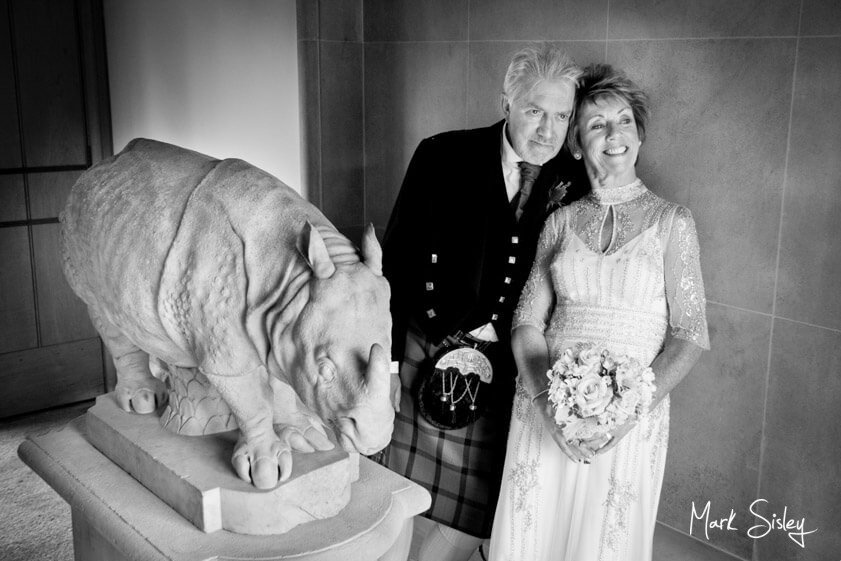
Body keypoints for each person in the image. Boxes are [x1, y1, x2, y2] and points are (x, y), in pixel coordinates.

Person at [488, 64, 710, 561]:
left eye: (624, 120)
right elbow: (526, 322)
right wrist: (547, 402)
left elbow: (690, 333)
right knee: (531, 532)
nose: (614, 135)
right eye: (596, 124)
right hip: (545, 406)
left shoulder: (673, 222)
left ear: (639, 133)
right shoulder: (560, 222)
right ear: (576, 143)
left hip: (630, 417)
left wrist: (624, 415)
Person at [378, 44, 587, 561]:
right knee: (395, 492)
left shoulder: (574, 180)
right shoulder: (442, 155)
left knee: (475, 510)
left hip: (508, 368)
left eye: (561, 116)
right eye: (535, 111)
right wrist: (385, 368)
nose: (547, 130)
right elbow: (397, 264)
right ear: (506, 102)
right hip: (429, 344)